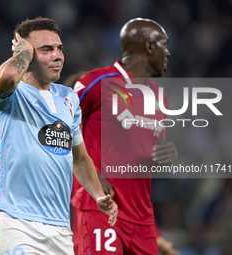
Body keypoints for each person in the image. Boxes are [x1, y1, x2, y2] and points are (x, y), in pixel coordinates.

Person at [0, 17, 118, 255]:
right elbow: (7, 78)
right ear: (25, 54)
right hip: (17, 221)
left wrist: (98, 194)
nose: (57, 56)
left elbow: (79, 158)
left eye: (59, 49)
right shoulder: (9, 93)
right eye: (46, 50)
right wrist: (23, 51)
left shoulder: (68, 97)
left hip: (59, 227)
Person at [71, 18, 180, 255]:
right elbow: (55, 132)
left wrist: (164, 156)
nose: (168, 53)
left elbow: (148, 155)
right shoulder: (96, 83)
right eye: (165, 44)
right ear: (150, 47)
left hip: (142, 220)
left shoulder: (159, 96)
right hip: (99, 210)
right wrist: (93, 176)